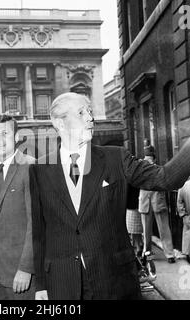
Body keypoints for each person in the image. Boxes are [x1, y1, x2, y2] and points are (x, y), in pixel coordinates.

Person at [29, 92, 190, 300]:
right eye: (81, 113)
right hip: (63, 283)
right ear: (59, 123)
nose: (90, 118)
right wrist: (40, 284)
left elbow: (165, 178)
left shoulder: (116, 158)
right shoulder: (40, 169)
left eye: (89, 112)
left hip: (114, 281)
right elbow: (38, 232)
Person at [0, 114, 35, 300]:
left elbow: (35, 223)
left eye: (4, 133)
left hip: (20, 272)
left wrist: (26, 268)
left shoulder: (30, 166)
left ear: (17, 137)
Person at [138, 147, 176, 264]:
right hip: (145, 203)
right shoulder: (140, 170)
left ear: (154, 159)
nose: (147, 161)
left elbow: (165, 183)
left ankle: (170, 254)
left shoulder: (160, 170)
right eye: (145, 159)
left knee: (164, 229)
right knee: (146, 231)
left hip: (158, 202)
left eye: (149, 159)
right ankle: (147, 253)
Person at [177, 177, 190, 264]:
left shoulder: (183, 186)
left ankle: (187, 254)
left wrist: (183, 214)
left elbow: (179, 201)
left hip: (187, 215)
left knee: (187, 234)